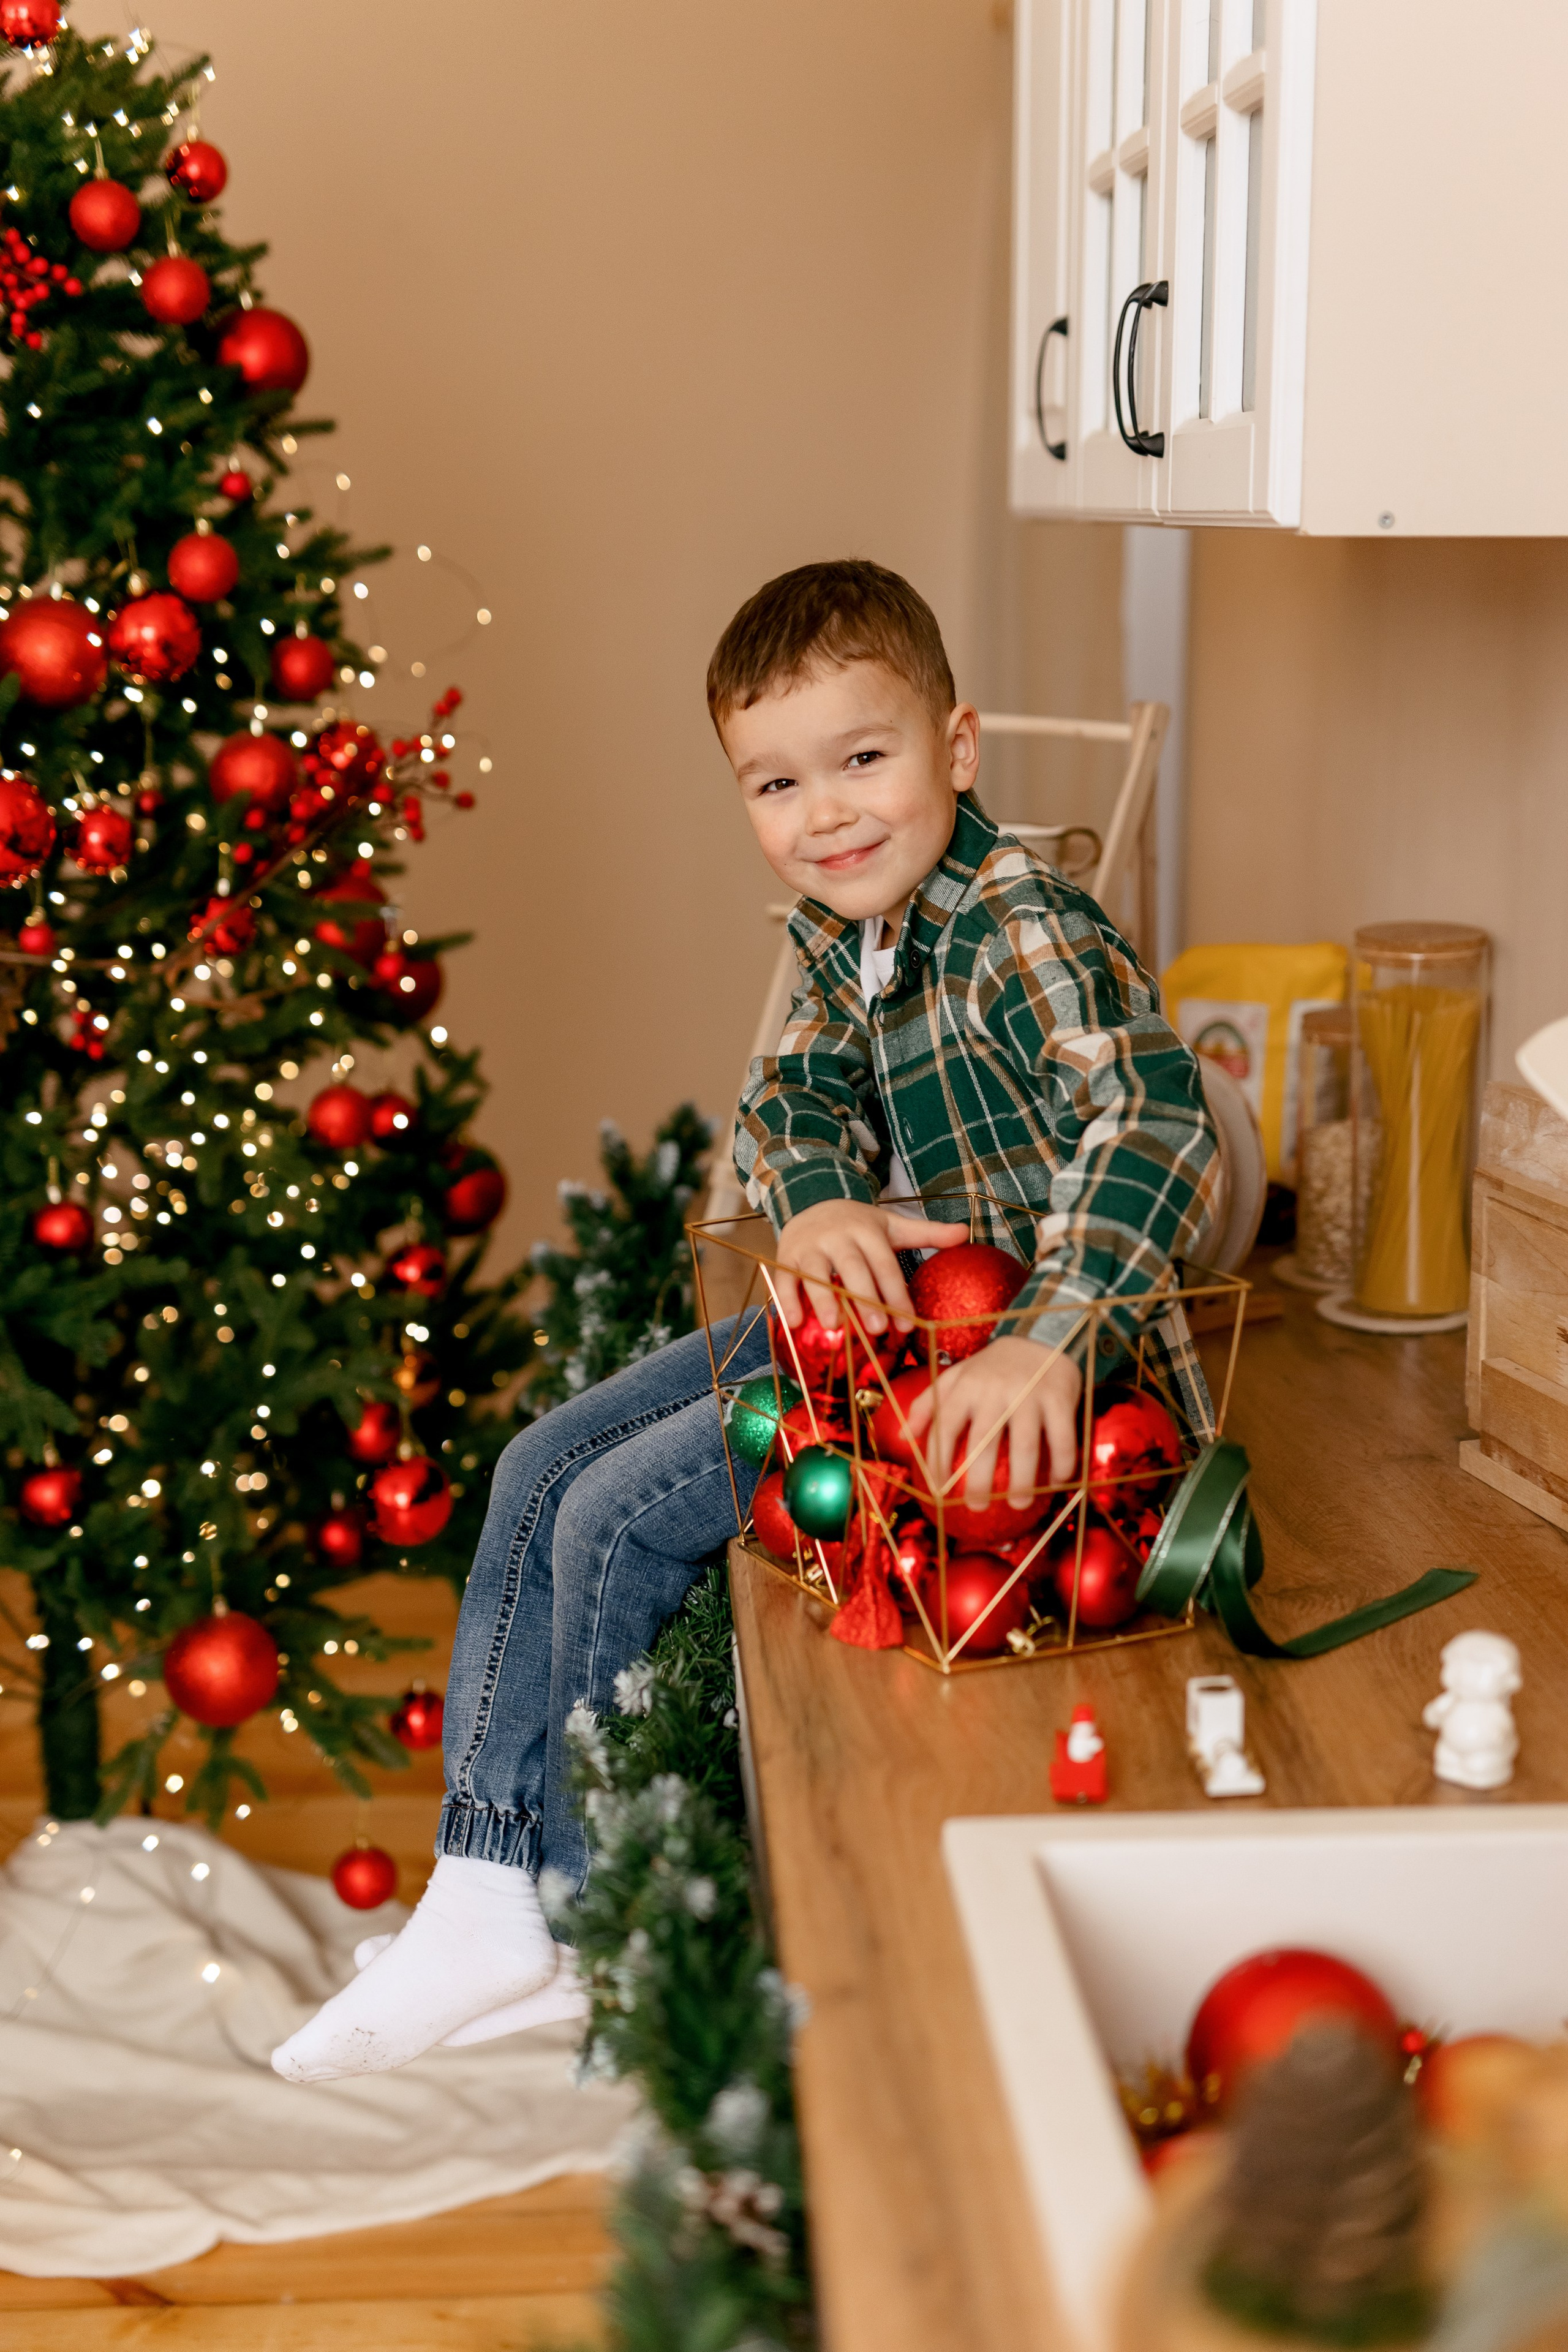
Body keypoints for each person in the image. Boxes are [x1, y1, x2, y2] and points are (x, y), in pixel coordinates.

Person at [272, 558, 1219, 2082]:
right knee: (534, 1467)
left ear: (955, 750)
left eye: (864, 758)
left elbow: (1158, 1121)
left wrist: (1050, 1332)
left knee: (612, 1519)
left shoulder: (1019, 922)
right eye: (777, 782)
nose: (826, 813)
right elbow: (787, 1097)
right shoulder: (855, 934)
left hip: (1041, 1400)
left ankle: (570, 1914)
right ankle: (483, 1880)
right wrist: (820, 1198)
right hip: (899, 1318)